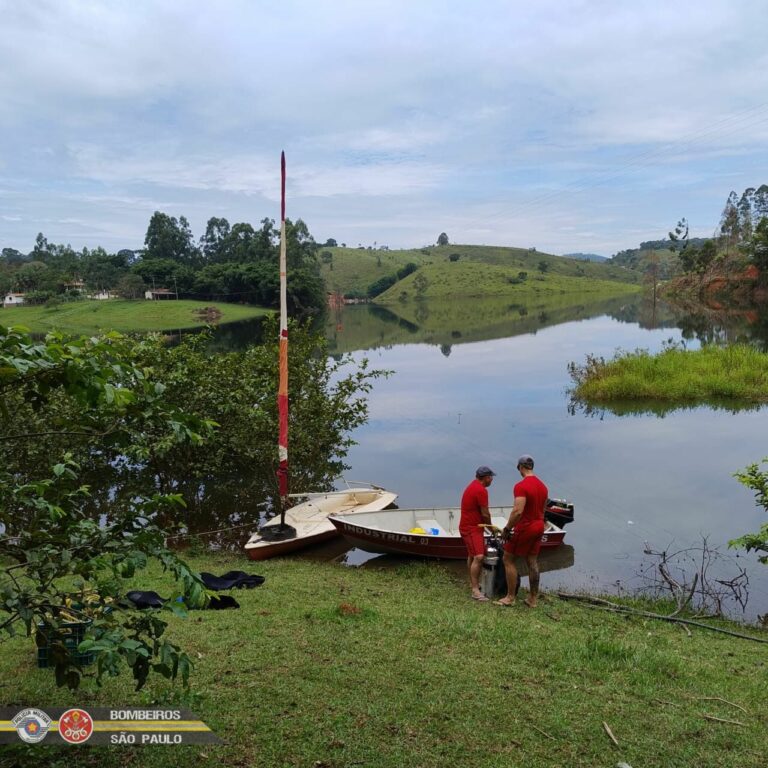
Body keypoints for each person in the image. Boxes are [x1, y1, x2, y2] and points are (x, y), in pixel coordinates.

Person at [495, 454, 548, 608]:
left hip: (526, 526)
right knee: (532, 561)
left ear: (520, 467)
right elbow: (543, 508)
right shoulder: (543, 486)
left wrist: (507, 529)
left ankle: (510, 597)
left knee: (508, 559)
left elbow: (518, 511)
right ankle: (533, 599)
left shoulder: (521, 486)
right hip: (539, 525)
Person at [460, 465, 496, 601]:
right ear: (486, 478)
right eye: (491, 477)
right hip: (471, 528)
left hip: (470, 526)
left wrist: (486, 528)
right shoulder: (481, 491)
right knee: (479, 557)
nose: (492, 480)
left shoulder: (472, 485)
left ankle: (472, 583)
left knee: (472, 555)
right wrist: (492, 529)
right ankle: (475, 591)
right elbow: (485, 514)